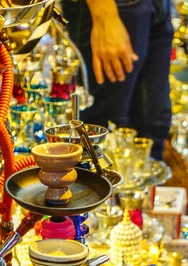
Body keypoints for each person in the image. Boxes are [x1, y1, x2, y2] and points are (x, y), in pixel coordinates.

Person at [61, 0, 174, 159]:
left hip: (159, 5)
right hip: (113, 7)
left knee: (152, 129)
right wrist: (103, 12)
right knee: (102, 135)